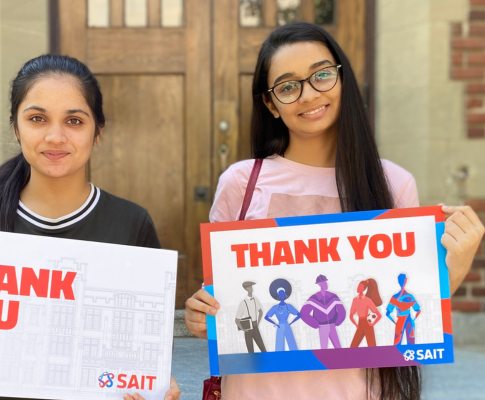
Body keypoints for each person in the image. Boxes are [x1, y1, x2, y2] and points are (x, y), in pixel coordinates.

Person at [184, 22, 485, 400]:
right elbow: (216, 302)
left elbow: (408, 321)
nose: (309, 95)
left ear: (342, 79)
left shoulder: (395, 183)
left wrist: (454, 266)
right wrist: (202, 314)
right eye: (288, 86)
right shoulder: (240, 183)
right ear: (270, 103)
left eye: (322, 75)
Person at [0, 55, 180, 400]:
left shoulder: (132, 223)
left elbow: (142, 353)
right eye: (38, 118)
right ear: (16, 128)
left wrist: (157, 387)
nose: (55, 136)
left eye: (74, 120)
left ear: (98, 132)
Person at [300, 274, 346, 349]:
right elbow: (303, 313)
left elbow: (342, 310)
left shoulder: (333, 296)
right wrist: (315, 324)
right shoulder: (314, 298)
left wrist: (337, 322)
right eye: (323, 282)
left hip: (332, 325)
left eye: (326, 282)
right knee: (324, 349)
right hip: (322, 327)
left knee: (338, 347)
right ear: (319, 284)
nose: (326, 284)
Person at [264, 278, 300, 351]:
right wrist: (275, 323)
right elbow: (266, 317)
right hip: (280, 326)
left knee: (292, 345)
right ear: (278, 296)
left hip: (287, 325)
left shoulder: (289, 306)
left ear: (285, 295)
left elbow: (299, 315)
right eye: (280, 294)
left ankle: (296, 359)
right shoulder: (275, 307)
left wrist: (291, 323)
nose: (282, 295)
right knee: (279, 347)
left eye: (283, 294)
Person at [386, 274, 421, 345]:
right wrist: (413, 319)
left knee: (397, 345)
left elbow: (387, 314)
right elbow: (418, 311)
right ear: (406, 280)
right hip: (409, 321)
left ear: (398, 282)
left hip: (400, 321)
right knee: (410, 345)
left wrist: (395, 322)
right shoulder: (410, 296)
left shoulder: (395, 297)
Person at [350, 279, 383, 348]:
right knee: (353, 347)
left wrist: (372, 324)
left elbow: (379, 315)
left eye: (360, 286)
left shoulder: (367, 300)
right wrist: (356, 324)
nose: (358, 288)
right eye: (358, 286)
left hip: (368, 325)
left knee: (372, 347)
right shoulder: (355, 300)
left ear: (363, 288)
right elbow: (351, 315)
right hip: (360, 324)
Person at [235, 281, 267, 353]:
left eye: (251, 287)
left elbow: (261, 312)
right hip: (248, 328)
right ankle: (253, 363)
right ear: (246, 289)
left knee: (263, 348)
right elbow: (237, 320)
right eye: (249, 287)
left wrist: (258, 323)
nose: (251, 288)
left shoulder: (255, 299)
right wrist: (243, 329)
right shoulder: (243, 303)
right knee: (250, 350)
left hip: (255, 326)